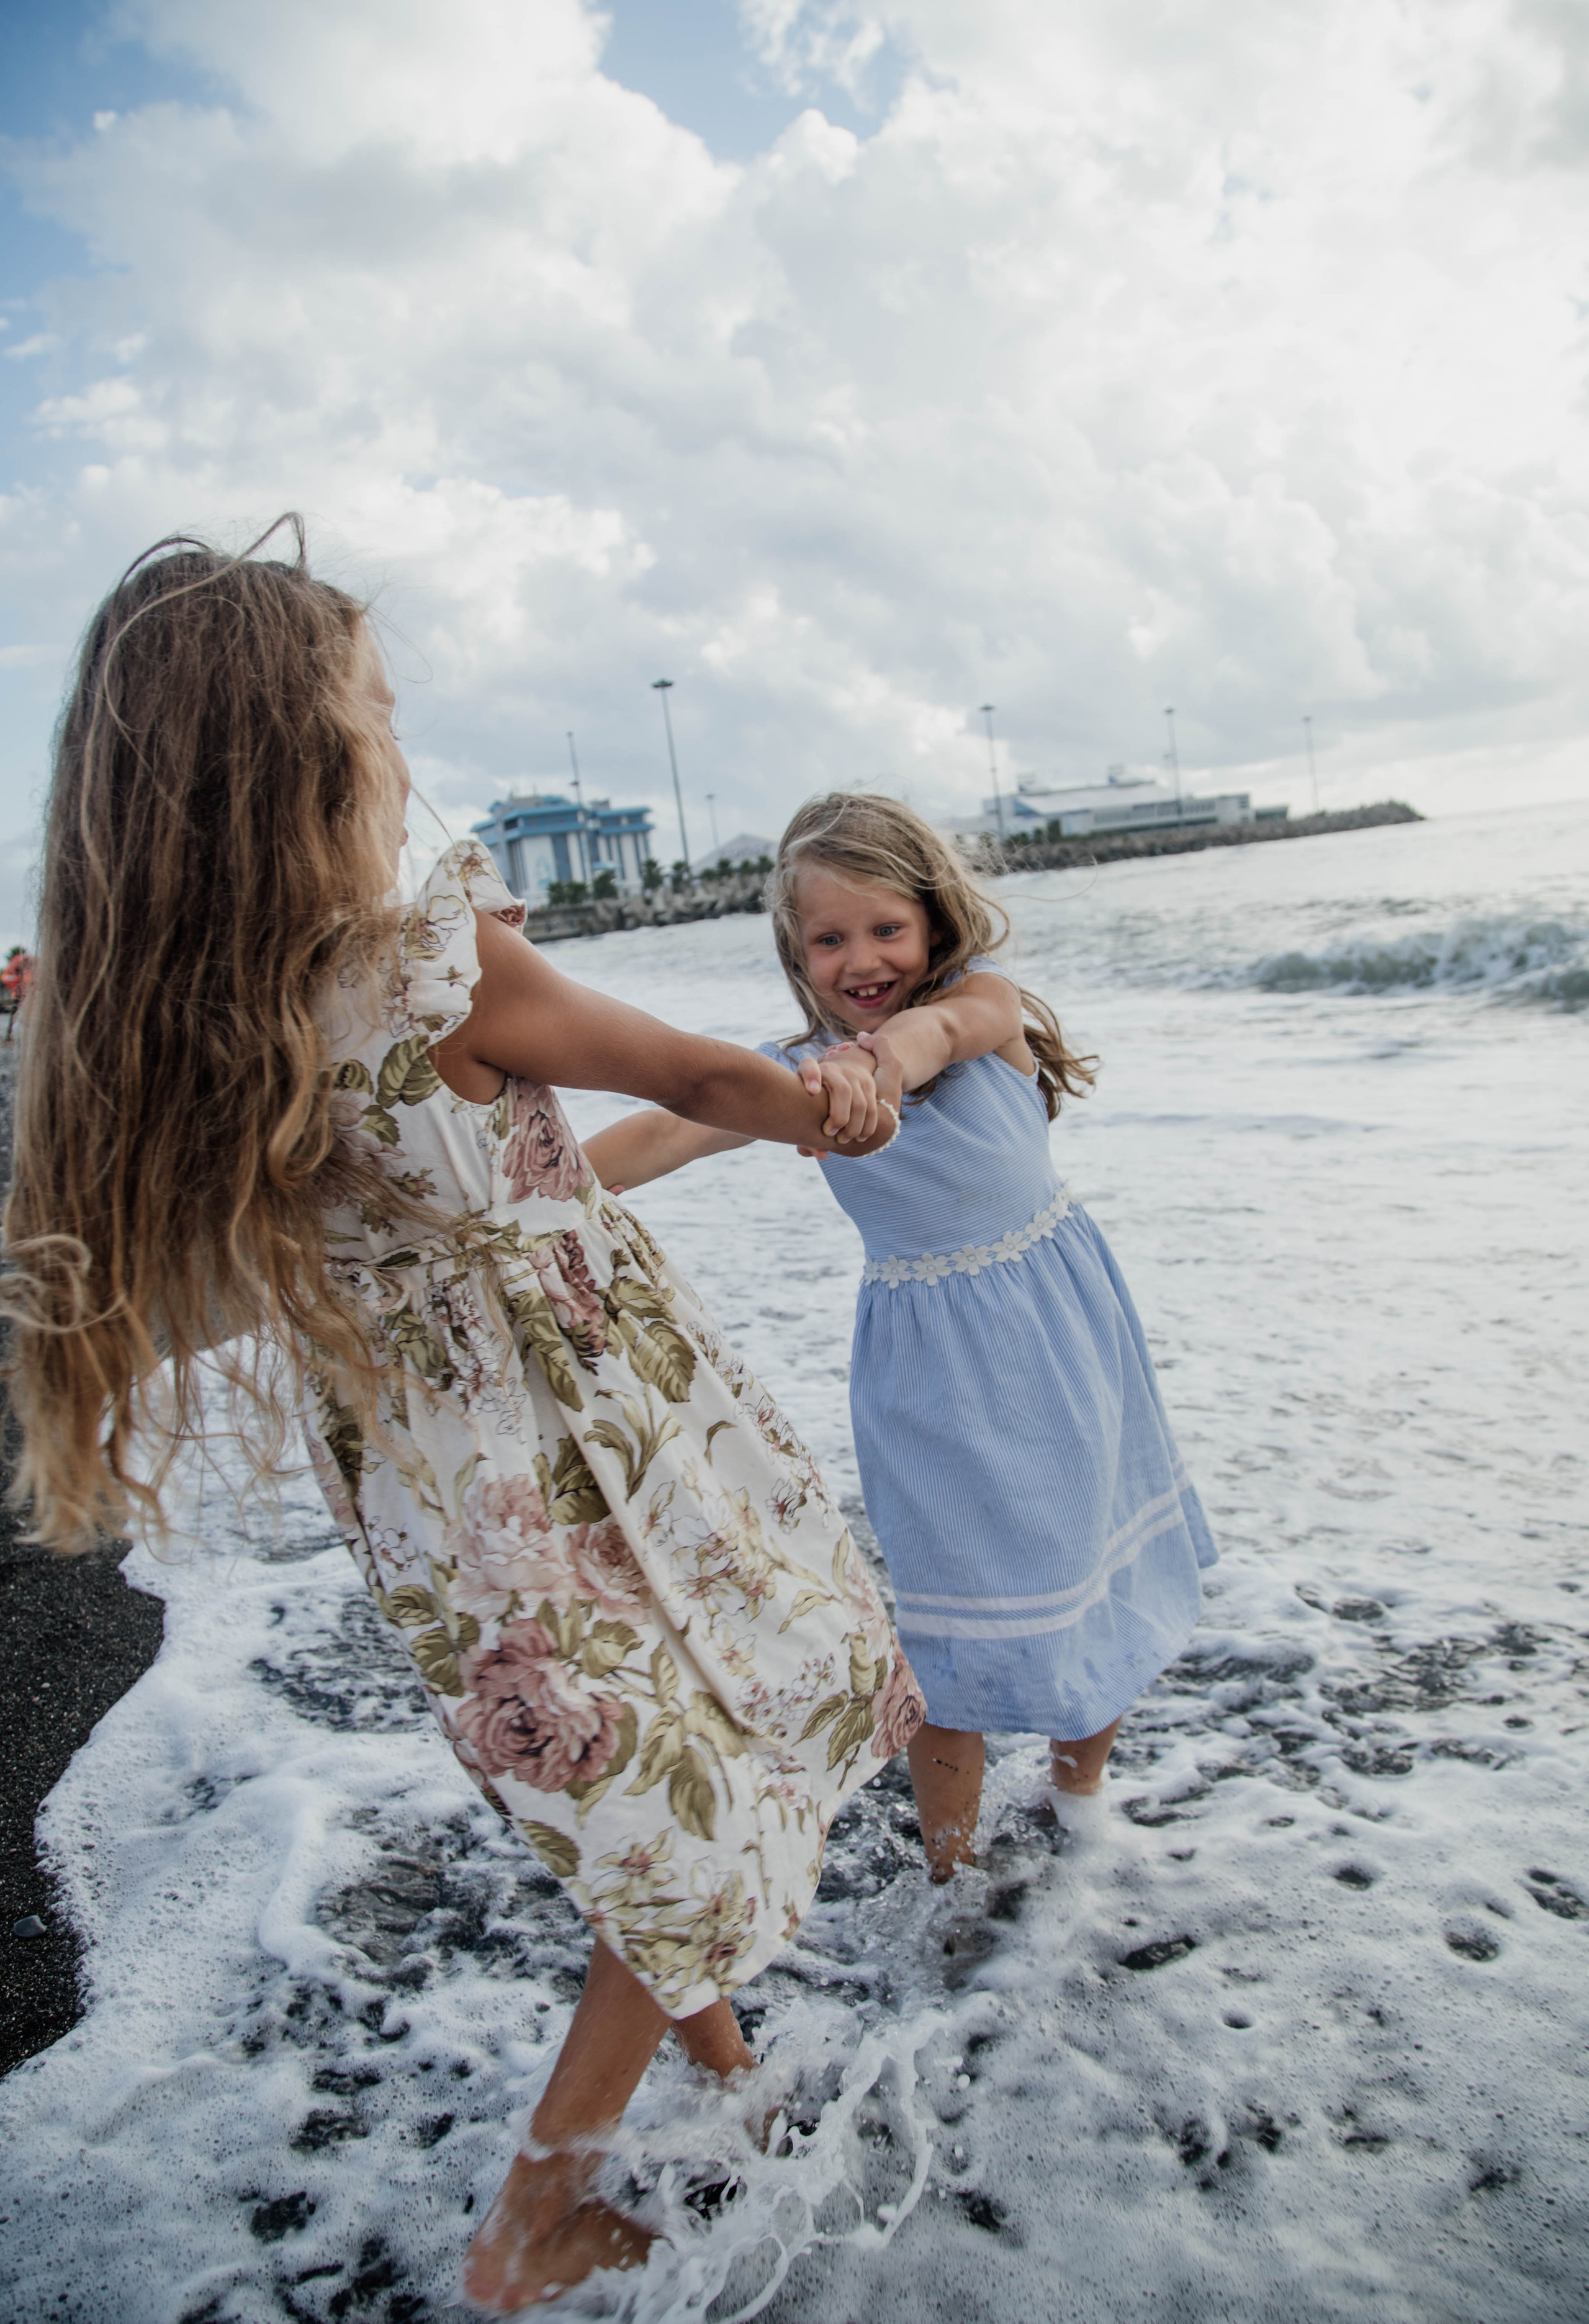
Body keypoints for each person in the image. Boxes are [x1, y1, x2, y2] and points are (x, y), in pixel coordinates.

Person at [1, 536, 924, 2313]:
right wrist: (840, 1097)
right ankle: (532, 2223)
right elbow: (702, 1077)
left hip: (438, 1491)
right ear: (309, 762)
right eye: (380, 711)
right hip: (602, 1446)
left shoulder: (212, 1020)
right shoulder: (439, 967)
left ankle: (727, 2070)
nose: (401, 745)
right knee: (724, 1759)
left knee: (646, 1787)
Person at [584, 791, 1216, 1881]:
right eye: (829, 938)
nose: (860, 957)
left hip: (1067, 1352)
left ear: (933, 922)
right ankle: (952, 1882)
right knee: (942, 1647)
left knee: (1096, 1582)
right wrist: (506, 1191)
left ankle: (1081, 1805)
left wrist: (876, 1067)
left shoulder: (987, 1006)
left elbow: (936, 1031)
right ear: (796, 951)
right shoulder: (797, 1082)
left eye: (885, 928)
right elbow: (664, 1130)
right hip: (929, 1385)